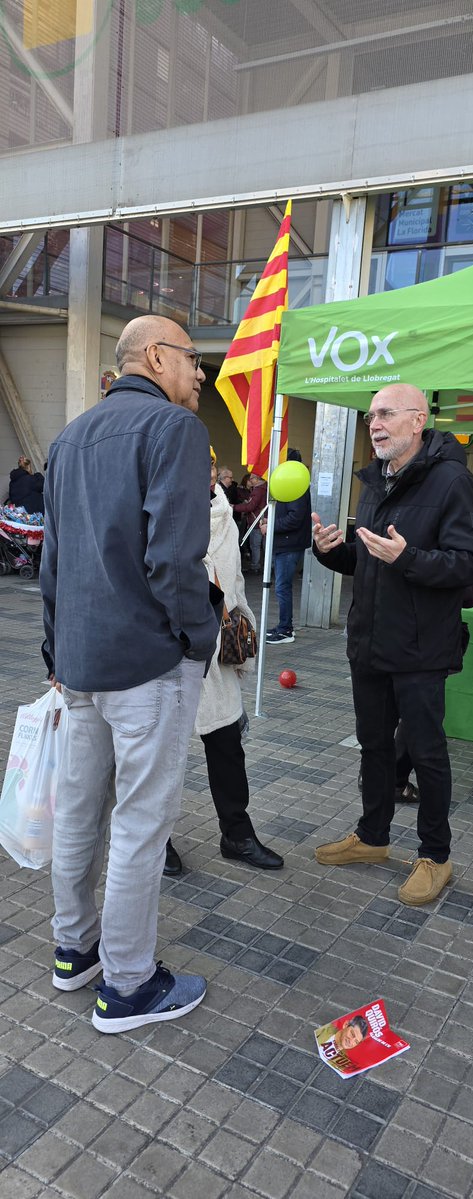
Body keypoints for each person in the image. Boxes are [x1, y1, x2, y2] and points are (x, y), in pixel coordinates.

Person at [40, 314, 221, 1035]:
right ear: (154, 355)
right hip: (147, 662)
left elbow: (53, 564)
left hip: (81, 663)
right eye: (191, 358)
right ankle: (127, 984)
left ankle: (73, 949)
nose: (200, 373)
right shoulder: (174, 430)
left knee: (81, 814)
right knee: (141, 826)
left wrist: (56, 653)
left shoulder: (70, 436)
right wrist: (197, 639)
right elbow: (174, 560)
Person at [312, 384, 473, 906]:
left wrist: (408, 558)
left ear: (418, 421)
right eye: (370, 416)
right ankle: (373, 837)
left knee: (427, 754)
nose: (375, 424)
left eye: (386, 414)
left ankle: (436, 854)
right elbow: (371, 561)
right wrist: (333, 553)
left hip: (420, 650)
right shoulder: (375, 481)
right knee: (373, 747)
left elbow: (471, 567)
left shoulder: (452, 480)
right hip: (369, 644)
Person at [185, 449, 283, 869]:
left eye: (208, 465)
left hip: (216, 647)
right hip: (168, 650)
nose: (205, 474)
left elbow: (236, 579)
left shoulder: (222, 512)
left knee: (226, 745)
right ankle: (157, 841)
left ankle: (237, 836)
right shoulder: (158, 510)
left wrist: (241, 623)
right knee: (159, 756)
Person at [263, 449, 312, 645]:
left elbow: (295, 518)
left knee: (283, 588)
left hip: (289, 544)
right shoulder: (293, 482)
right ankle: (283, 626)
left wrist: (271, 526)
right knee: (282, 587)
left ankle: (285, 630)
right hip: (286, 543)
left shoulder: (295, 484)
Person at [233, 472, 267, 573]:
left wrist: (234, 507)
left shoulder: (258, 490)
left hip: (256, 522)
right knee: (266, 545)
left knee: (255, 546)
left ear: (257, 479)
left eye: (252, 478)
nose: (250, 480)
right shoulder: (267, 488)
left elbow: (251, 506)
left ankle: (255, 566)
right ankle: (270, 567)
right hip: (265, 520)